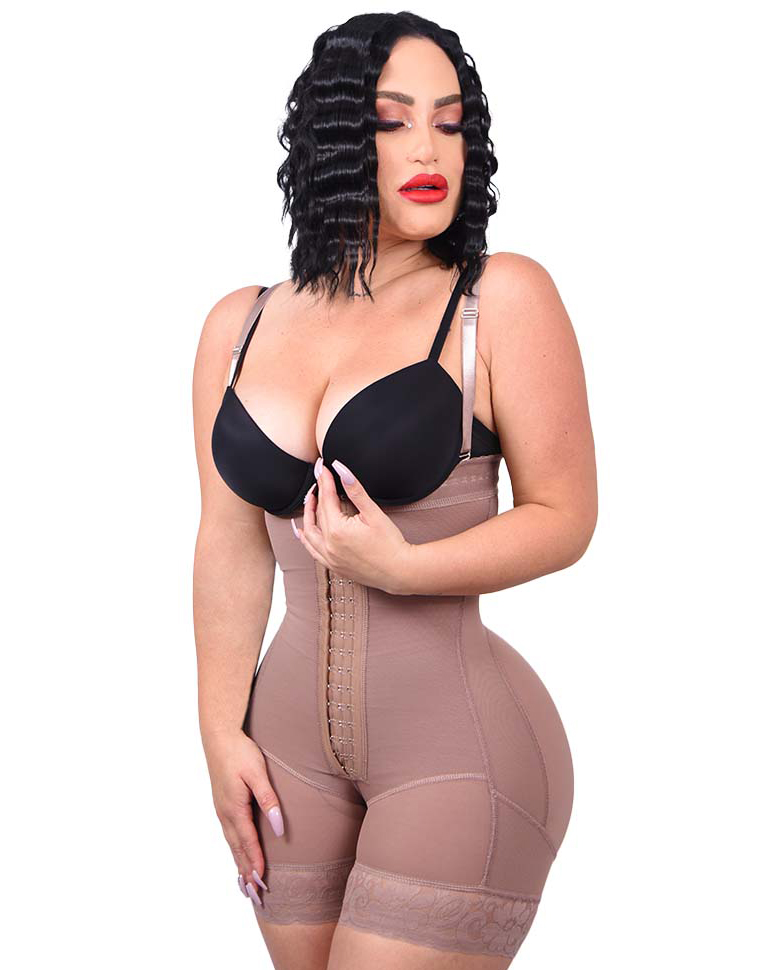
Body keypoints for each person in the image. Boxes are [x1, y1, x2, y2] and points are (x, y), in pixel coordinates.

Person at [192, 12, 597, 969]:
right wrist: (217, 731)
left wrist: (407, 567)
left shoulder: (498, 299)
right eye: (394, 120)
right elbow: (229, 542)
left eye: (450, 123)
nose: (429, 150)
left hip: (456, 753)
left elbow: (565, 516)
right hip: (283, 755)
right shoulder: (239, 324)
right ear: (336, 139)